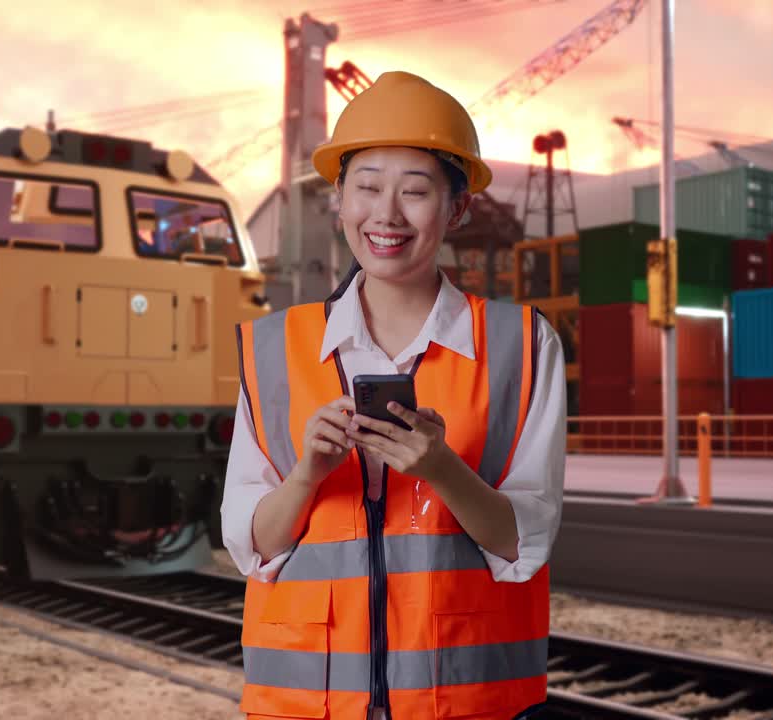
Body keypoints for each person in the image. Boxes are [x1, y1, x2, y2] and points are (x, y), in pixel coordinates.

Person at [222, 70, 566, 720]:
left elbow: (526, 545)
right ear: (339, 200)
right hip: (306, 707)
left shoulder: (520, 346)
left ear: (457, 208)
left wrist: (441, 469)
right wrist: (306, 476)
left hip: (467, 703)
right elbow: (253, 549)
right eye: (368, 187)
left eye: (415, 192)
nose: (386, 214)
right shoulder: (272, 352)